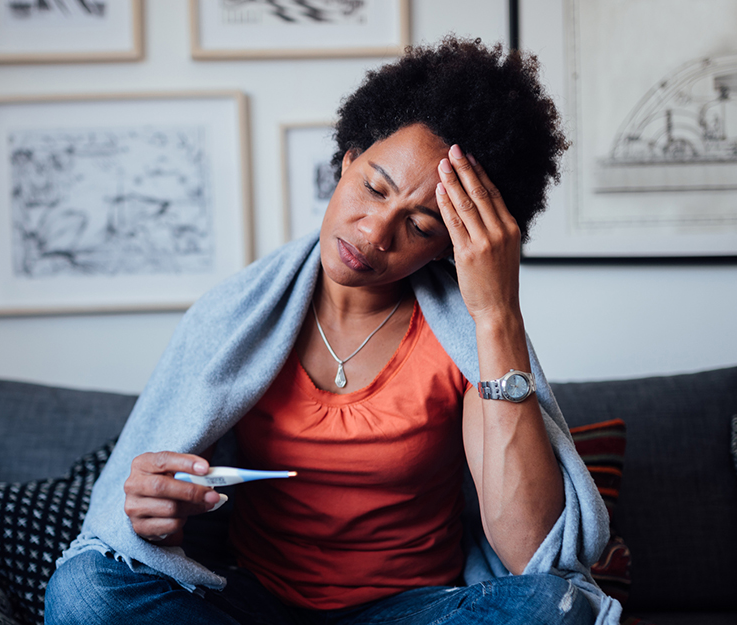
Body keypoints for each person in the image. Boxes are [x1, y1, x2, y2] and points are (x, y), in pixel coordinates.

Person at [45, 36, 621, 625]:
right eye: (374, 188)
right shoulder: (236, 318)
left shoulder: (462, 340)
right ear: (347, 159)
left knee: (556, 608)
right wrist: (152, 505)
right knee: (85, 591)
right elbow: (149, 501)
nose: (374, 235)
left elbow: (531, 552)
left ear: (453, 246)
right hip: (252, 606)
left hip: (411, 612)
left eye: (420, 226)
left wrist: (498, 315)